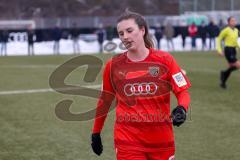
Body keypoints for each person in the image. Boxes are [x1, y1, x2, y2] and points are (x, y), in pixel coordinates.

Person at [91, 10, 191, 160]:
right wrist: (96, 132)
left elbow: (182, 91)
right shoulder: (113, 66)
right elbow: (105, 101)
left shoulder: (165, 60)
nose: (125, 36)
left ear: (142, 30)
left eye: (129, 31)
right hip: (128, 141)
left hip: (162, 141)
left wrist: (182, 107)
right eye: (121, 33)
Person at [217, 16, 240, 89]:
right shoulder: (226, 30)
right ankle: (223, 74)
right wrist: (219, 50)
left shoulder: (236, 30)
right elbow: (219, 39)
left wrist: (238, 47)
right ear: (229, 22)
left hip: (233, 50)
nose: (234, 22)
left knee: (232, 67)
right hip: (228, 50)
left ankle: (223, 81)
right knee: (238, 65)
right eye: (232, 21)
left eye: (234, 20)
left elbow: (235, 41)